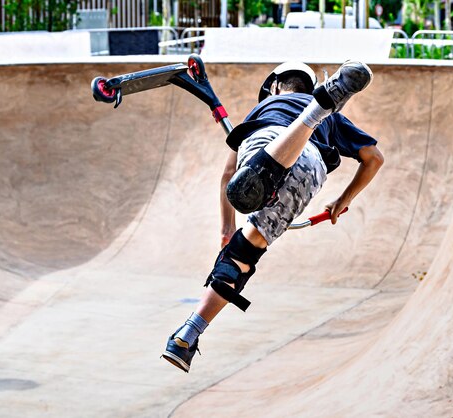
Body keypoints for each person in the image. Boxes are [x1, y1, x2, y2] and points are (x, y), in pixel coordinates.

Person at [161, 60, 384, 372]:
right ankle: (186, 338)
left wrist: (226, 227)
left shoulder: (264, 106)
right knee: (244, 249)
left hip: (264, 140)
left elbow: (227, 173)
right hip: (311, 166)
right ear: (309, 89)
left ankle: (185, 335)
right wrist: (340, 201)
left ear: (275, 86)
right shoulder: (337, 119)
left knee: (238, 219)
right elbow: (373, 158)